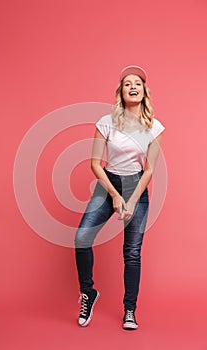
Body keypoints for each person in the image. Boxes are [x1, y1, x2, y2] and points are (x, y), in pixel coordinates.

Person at [74, 66, 165, 330]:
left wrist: (133, 199)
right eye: (127, 83)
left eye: (137, 83)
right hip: (107, 184)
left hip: (136, 185)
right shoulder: (106, 122)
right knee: (81, 237)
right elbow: (94, 164)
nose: (132, 86)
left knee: (132, 252)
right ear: (121, 92)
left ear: (144, 91)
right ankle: (88, 293)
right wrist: (114, 195)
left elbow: (149, 170)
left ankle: (129, 310)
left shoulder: (154, 127)